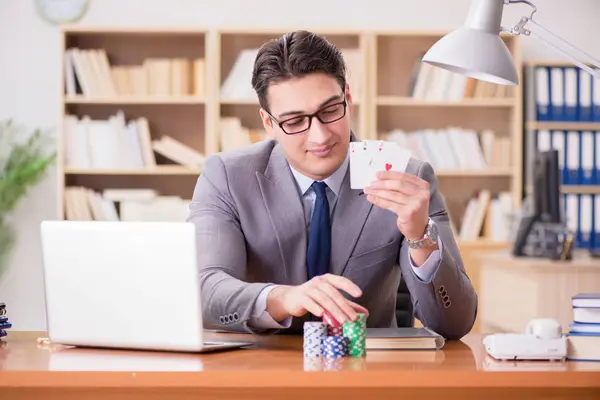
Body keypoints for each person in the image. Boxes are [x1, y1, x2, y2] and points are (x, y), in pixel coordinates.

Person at [187, 30, 477, 340]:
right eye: (295, 121)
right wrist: (282, 298)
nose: (320, 136)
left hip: (364, 371)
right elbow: (204, 289)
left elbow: (455, 325)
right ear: (268, 123)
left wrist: (422, 238)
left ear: (348, 99)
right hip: (260, 371)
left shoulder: (408, 179)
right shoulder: (227, 177)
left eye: (329, 111)